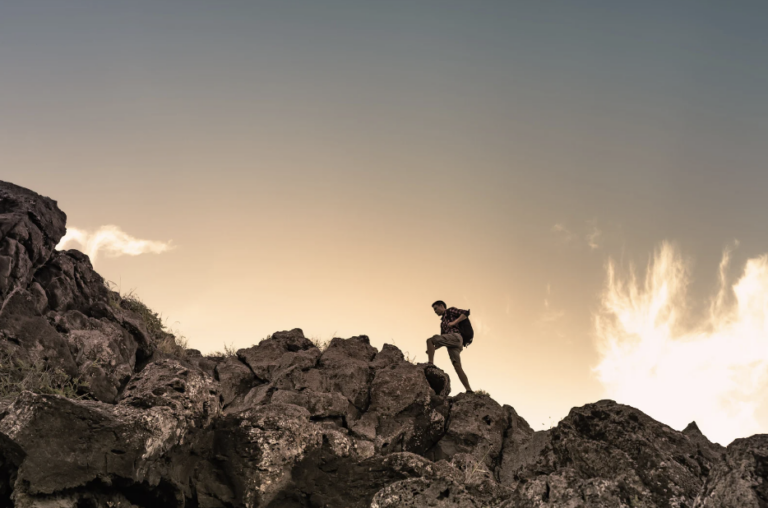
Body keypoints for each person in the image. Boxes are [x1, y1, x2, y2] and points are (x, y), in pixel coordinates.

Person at [426, 300, 473, 393]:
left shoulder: (450, 311)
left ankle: (430, 364)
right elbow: (441, 340)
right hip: (452, 344)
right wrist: (433, 348)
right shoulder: (442, 323)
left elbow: (465, 313)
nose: (435, 311)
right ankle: (469, 390)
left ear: (441, 306)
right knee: (457, 366)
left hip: (456, 337)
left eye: (436, 308)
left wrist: (454, 322)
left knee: (429, 340)